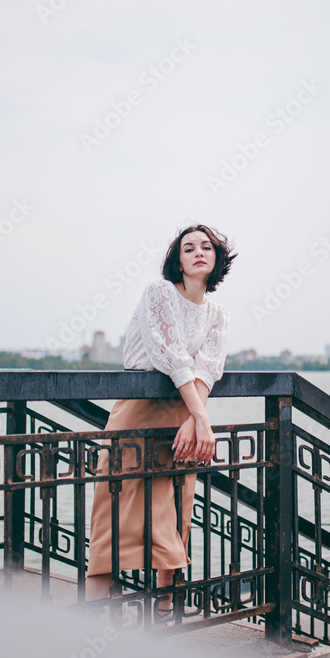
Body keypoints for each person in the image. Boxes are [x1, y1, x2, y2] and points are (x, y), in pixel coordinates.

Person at [85, 224, 235, 618]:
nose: (198, 252)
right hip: (139, 412)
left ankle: (164, 620)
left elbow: (209, 367)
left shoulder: (218, 314)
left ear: (217, 258)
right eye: (189, 248)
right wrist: (201, 419)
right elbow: (169, 353)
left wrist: (194, 419)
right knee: (113, 517)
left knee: (172, 516)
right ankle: (92, 622)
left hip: (184, 417)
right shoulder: (159, 293)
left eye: (206, 247)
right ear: (177, 259)